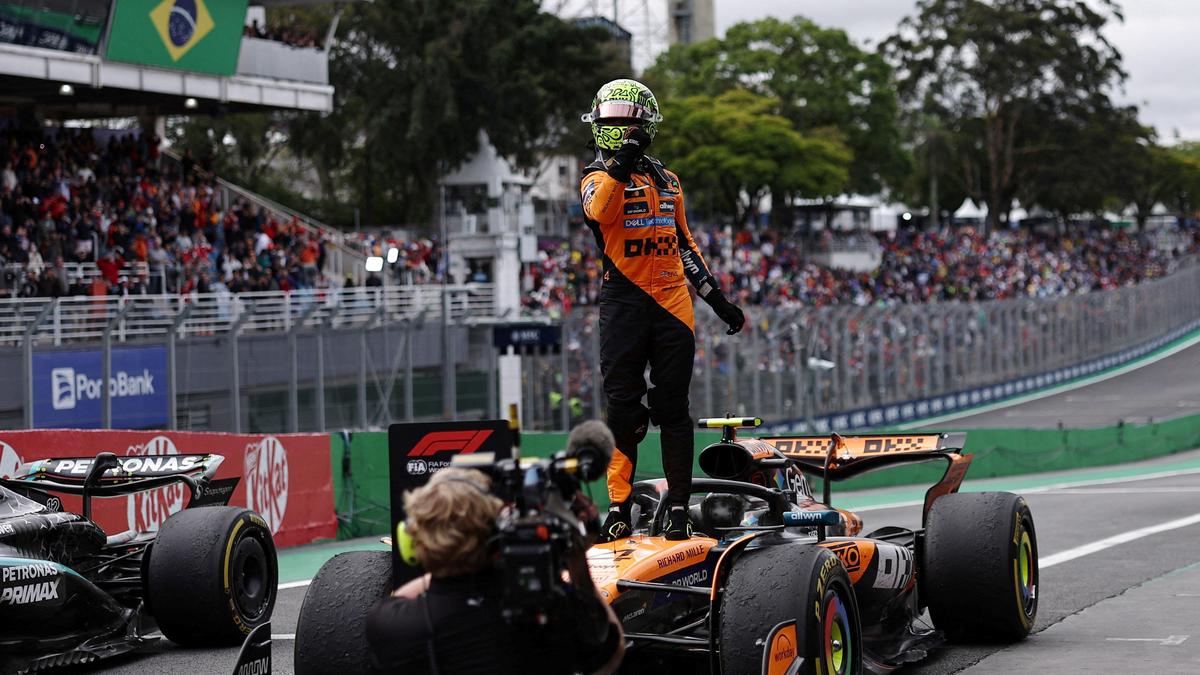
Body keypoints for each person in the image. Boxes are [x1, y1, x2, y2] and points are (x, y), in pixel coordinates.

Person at [579, 79, 745, 541]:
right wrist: (625, 158)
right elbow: (602, 213)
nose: (618, 126)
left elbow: (685, 244)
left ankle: (677, 507)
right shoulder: (594, 178)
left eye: (626, 118)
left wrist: (716, 299)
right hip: (624, 303)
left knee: (673, 409)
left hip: (673, 302)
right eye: (609, 118)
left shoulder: (669, 180)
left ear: (646, 123)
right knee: (623, 410)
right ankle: (617, 505)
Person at [366, 468, 624, 675]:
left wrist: (443, 557)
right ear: (498, 536)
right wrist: (577, 561)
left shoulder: (390, 625)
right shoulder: (551, 609)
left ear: (412, 541)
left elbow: (406, 597)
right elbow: (611, 655)